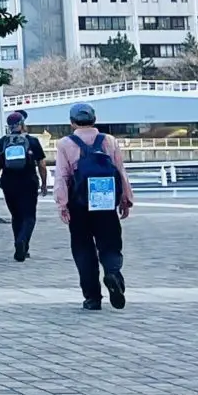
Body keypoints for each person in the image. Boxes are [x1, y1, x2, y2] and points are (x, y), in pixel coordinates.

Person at [52, 101, 132, 311]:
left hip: (78, 204)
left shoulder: (65, 144)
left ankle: (92, 298)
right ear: (94, 120)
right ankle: (113, 273)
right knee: (110, 243)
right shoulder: (109, 141)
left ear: (72, 122)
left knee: (83, 249)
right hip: (105, 202)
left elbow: (61, 176)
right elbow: (120, 171)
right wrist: (125, 199)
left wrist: (62, 204)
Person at [0, 110, 49, 260]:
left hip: (8, 183)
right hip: (28, 182)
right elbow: (42, 164)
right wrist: (44, 183)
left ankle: (19, 245)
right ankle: (23, 241)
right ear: (22, 124)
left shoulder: (2, 142)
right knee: (29, 216)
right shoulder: (32, 141)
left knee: (16, 216)